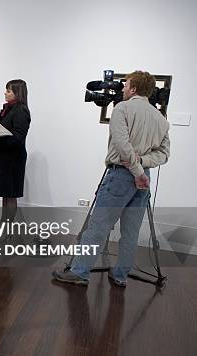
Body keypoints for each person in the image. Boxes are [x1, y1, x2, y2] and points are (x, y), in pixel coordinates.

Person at [53, 71, 170, 287]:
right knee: (131, 231)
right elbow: (164, 154)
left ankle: (79, 272)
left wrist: (136, 169)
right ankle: (120, 275)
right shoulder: (160, 118)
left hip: (122, 175)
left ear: (133, 89)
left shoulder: (122, 109)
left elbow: (122, 145)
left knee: (98, 226)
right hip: (143, 178)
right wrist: (143, 165)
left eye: (126, 85)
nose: (123, 88)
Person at [0, 79, 31, 225]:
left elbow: (18, 137)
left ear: (17, 93)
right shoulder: (10, 109)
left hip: (13, 159)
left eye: (8, 90)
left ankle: (6, 229)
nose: (5, 93)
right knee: (5, 194)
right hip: (4, 157)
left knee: (10, 195)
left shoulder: (21, 110)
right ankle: (4, 227)